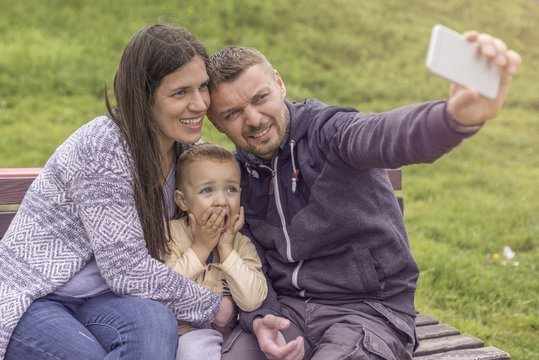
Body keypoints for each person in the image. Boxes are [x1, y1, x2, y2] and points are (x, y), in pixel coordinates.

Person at [206, 31, 521, 360]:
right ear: (217, 123)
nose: (254, 119)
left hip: (367, 311)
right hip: (286, 314)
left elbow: (386, 134)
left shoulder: (329, 133)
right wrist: (260, 318)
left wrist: (454, 117)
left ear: (280, 84)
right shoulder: (233, 177)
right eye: (233, 113)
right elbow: (250, 261)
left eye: (260, 98)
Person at [0, 24, 236, 359]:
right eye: (180, 92)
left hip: (104, 301)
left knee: (156, 324)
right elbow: (127, 270)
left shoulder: (185, 152)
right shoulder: (103, 148)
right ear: (144, 96)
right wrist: (214, 307)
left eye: (202, 87)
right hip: (35, 296)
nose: (199, 104)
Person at [163, 142, 268, 360]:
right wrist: (200, 247)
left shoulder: (241, 244)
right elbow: (163, 291)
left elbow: (252, 300)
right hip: (176, 332)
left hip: (217, 335)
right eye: (207, 190)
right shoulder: (171, 235)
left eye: (231, 189)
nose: (221, 201)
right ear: (182, 200)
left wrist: (227, 249)